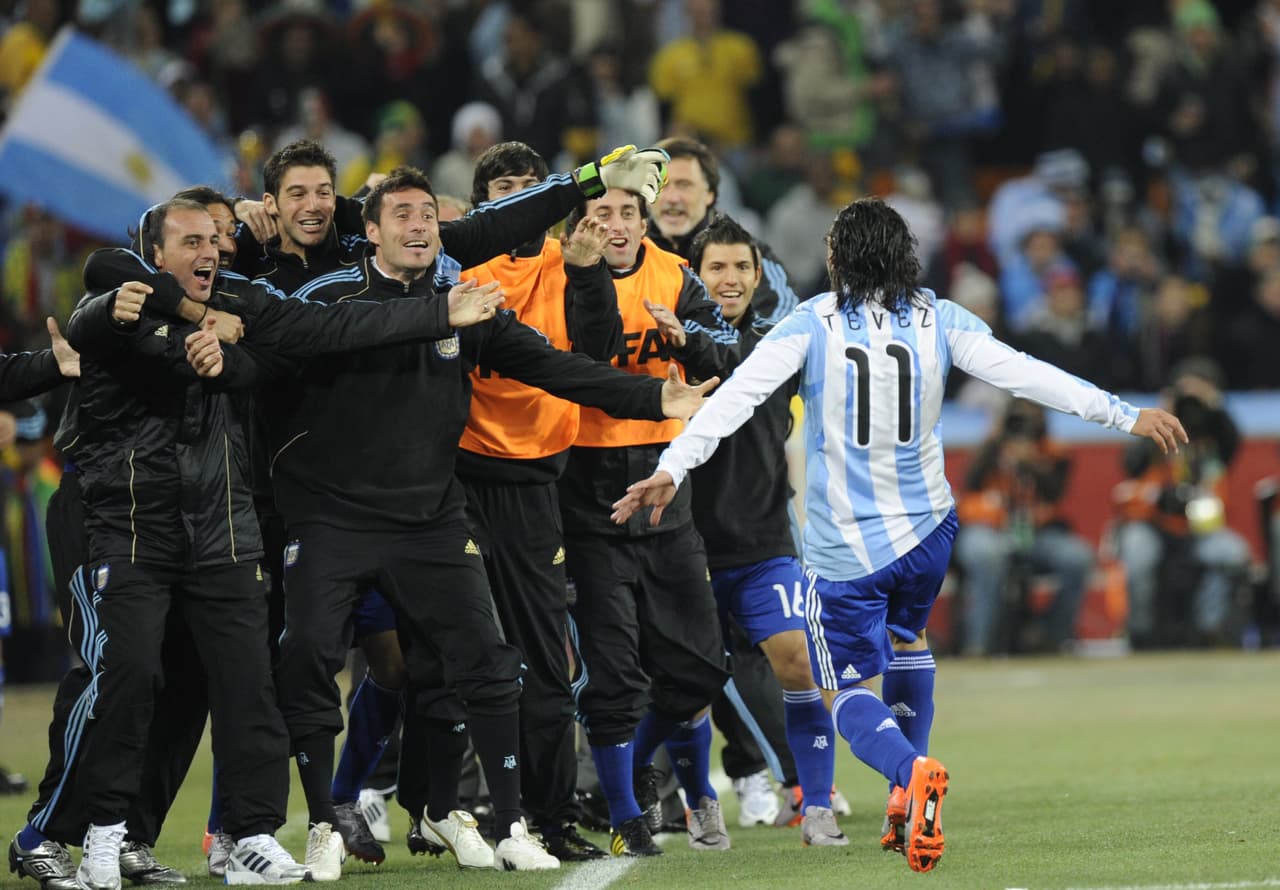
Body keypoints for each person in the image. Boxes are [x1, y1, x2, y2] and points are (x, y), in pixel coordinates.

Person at [612, 197, 1187, 874]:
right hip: (929, 532)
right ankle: (903, 799)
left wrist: (672, 466)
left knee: (843, 690)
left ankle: (910, 774)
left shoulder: (811, 323)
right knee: (909, 641)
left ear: (838, 258)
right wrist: (1122, 414)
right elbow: (1025, 374)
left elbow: (734, 400)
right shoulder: (941, 317)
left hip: (847, 549)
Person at [245, 166, 714, 875]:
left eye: (427, 216)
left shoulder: (465, 301)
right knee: (310, 656)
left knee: (491, 662)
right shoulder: (332, 292)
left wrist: (653, 400)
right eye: (401, 215)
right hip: (333, 520)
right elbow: (324, 333)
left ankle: (513, 824)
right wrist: (441, 315)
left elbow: (552, 366)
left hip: (431, 518)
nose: (417, 226)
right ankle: (322, 821)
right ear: (369, 230)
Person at [53, 198, 310, 890]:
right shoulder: (120, 310)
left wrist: (231, 352)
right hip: (135, 528)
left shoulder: (240, 311)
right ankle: (105, 833)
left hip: (223, 529)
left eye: (214, 242)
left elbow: (283, 354)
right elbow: (94, 302)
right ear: (155, 257)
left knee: (249, 686)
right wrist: (200, 327)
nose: (210, 252)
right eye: (191, 241)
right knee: (132, 676)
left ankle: (251, 835)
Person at [557, 186, 739, 857]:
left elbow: (728, 356)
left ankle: (626, 771)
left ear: (644, 223)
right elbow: (583, 356)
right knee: (613, 675)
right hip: (589, 495)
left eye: (627, 213)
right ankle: (627, 817)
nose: (615, 225)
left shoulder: (675, 275)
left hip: (666, 492)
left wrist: (687, 340)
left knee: (700, 668)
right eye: (600, 214)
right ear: (581, 225)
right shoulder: (560, 274)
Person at [452, 141, 616, 862]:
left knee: (547, 660)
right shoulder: (458, 267)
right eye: (503, 188)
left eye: (530, 185)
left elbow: (597, 354)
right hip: (457, 479)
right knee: (452, 652)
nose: (519, 197)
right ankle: (445, 808)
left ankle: (550, 816)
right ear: (481, 203)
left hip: (536, 483)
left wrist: (586, 274)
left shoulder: (570, 257)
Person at [648, 135, 805, 824]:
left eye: (685, 183)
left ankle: (761, 774)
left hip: (753, 499)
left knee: (761, 652)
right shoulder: (635, 269)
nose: (673, 196)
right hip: (668, 504)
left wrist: (690, 339)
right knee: (675, 659)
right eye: (662, 184)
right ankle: (653, 788)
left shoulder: (760, 279)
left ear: (711, 196)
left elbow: (767, 360)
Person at [685, 215, 844, 847]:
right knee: (688, 685)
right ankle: (696, 797)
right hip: (685, 544)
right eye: (716, 267)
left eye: (740, 267)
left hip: (762, 540)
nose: (729, 278)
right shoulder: (670, 348)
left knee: (796, 660)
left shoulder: (781, 347)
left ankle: (814, 797)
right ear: (695, 276)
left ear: (758, 277)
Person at [1113, 358, 1250, 649]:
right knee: (1137, 555)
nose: (1191, 404)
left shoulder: (1215, 432)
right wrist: (1165, 413)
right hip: (1151, 523)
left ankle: (1208, 630)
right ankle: (1140, 634)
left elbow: (1233, 443)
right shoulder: (1156, 426)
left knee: (1233, 554)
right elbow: (1131, 464)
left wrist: (1214, 406)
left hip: (1198, 528)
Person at [953, 399, 1095, 656]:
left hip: (1036, 532)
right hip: (988, 528)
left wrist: (1031, 463)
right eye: (1017, 418)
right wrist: (995, 440)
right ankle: (979, 645)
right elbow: (969, 482)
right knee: (987, 555)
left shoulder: (1053, 451)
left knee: (1077, 557)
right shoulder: (991, 447)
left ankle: (1053, 637)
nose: (1022, 426)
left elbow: (1055, 493)